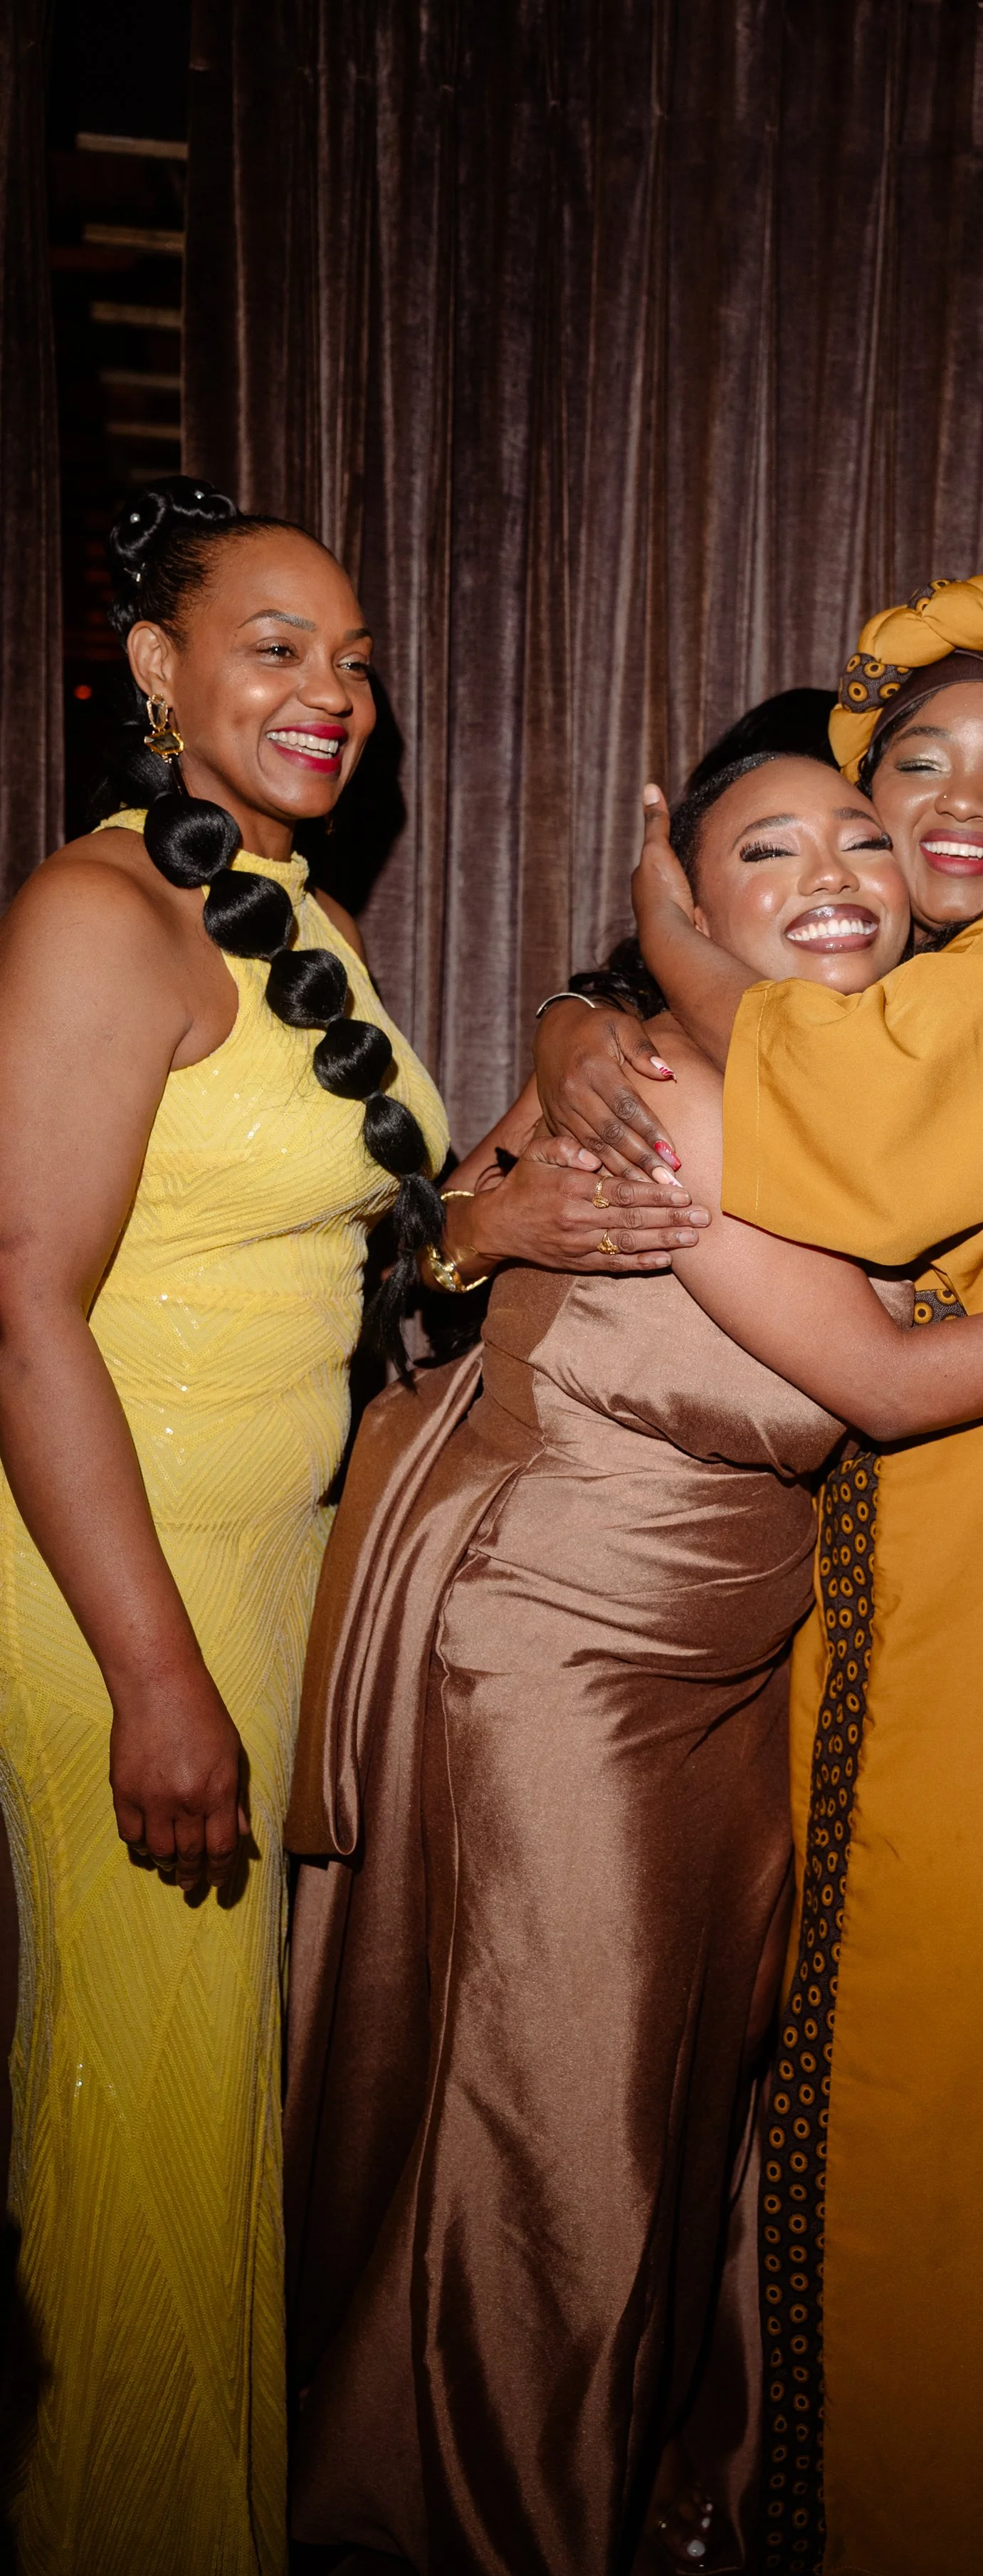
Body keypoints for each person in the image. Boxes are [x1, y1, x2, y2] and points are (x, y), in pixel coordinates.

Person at [283, 745, 983, 2576]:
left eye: (861, 841)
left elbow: (445, 1248)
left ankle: (643, 2491)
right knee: (553, 2145)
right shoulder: (662, 1079)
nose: (835, 875)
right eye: (764, 850)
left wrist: (477, 1216)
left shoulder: (851, 1095)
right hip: (558, 1661)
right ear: (685, 904)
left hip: (724, 1670)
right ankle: (487, 2523)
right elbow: (870, 1380)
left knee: (674, 2116)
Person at [536, 577, 983, 2576]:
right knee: (917, 2081)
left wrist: (659, 939)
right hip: (956, 1545)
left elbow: (847, 1153)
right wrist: (589, 1013)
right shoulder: (942, 968)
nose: (958, 800)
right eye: (910, 765)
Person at [0, 478, 448, 2572]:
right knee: (150, 2120)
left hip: (256, 1564)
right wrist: (155, 1679)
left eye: (354, 658)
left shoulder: (282, 905)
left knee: (203, 2107)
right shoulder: (102, 913)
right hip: (122, 1583)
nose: (332, 692)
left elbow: (349, 1222)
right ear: (153, 667)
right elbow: (18, 1304)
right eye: (277, 646)